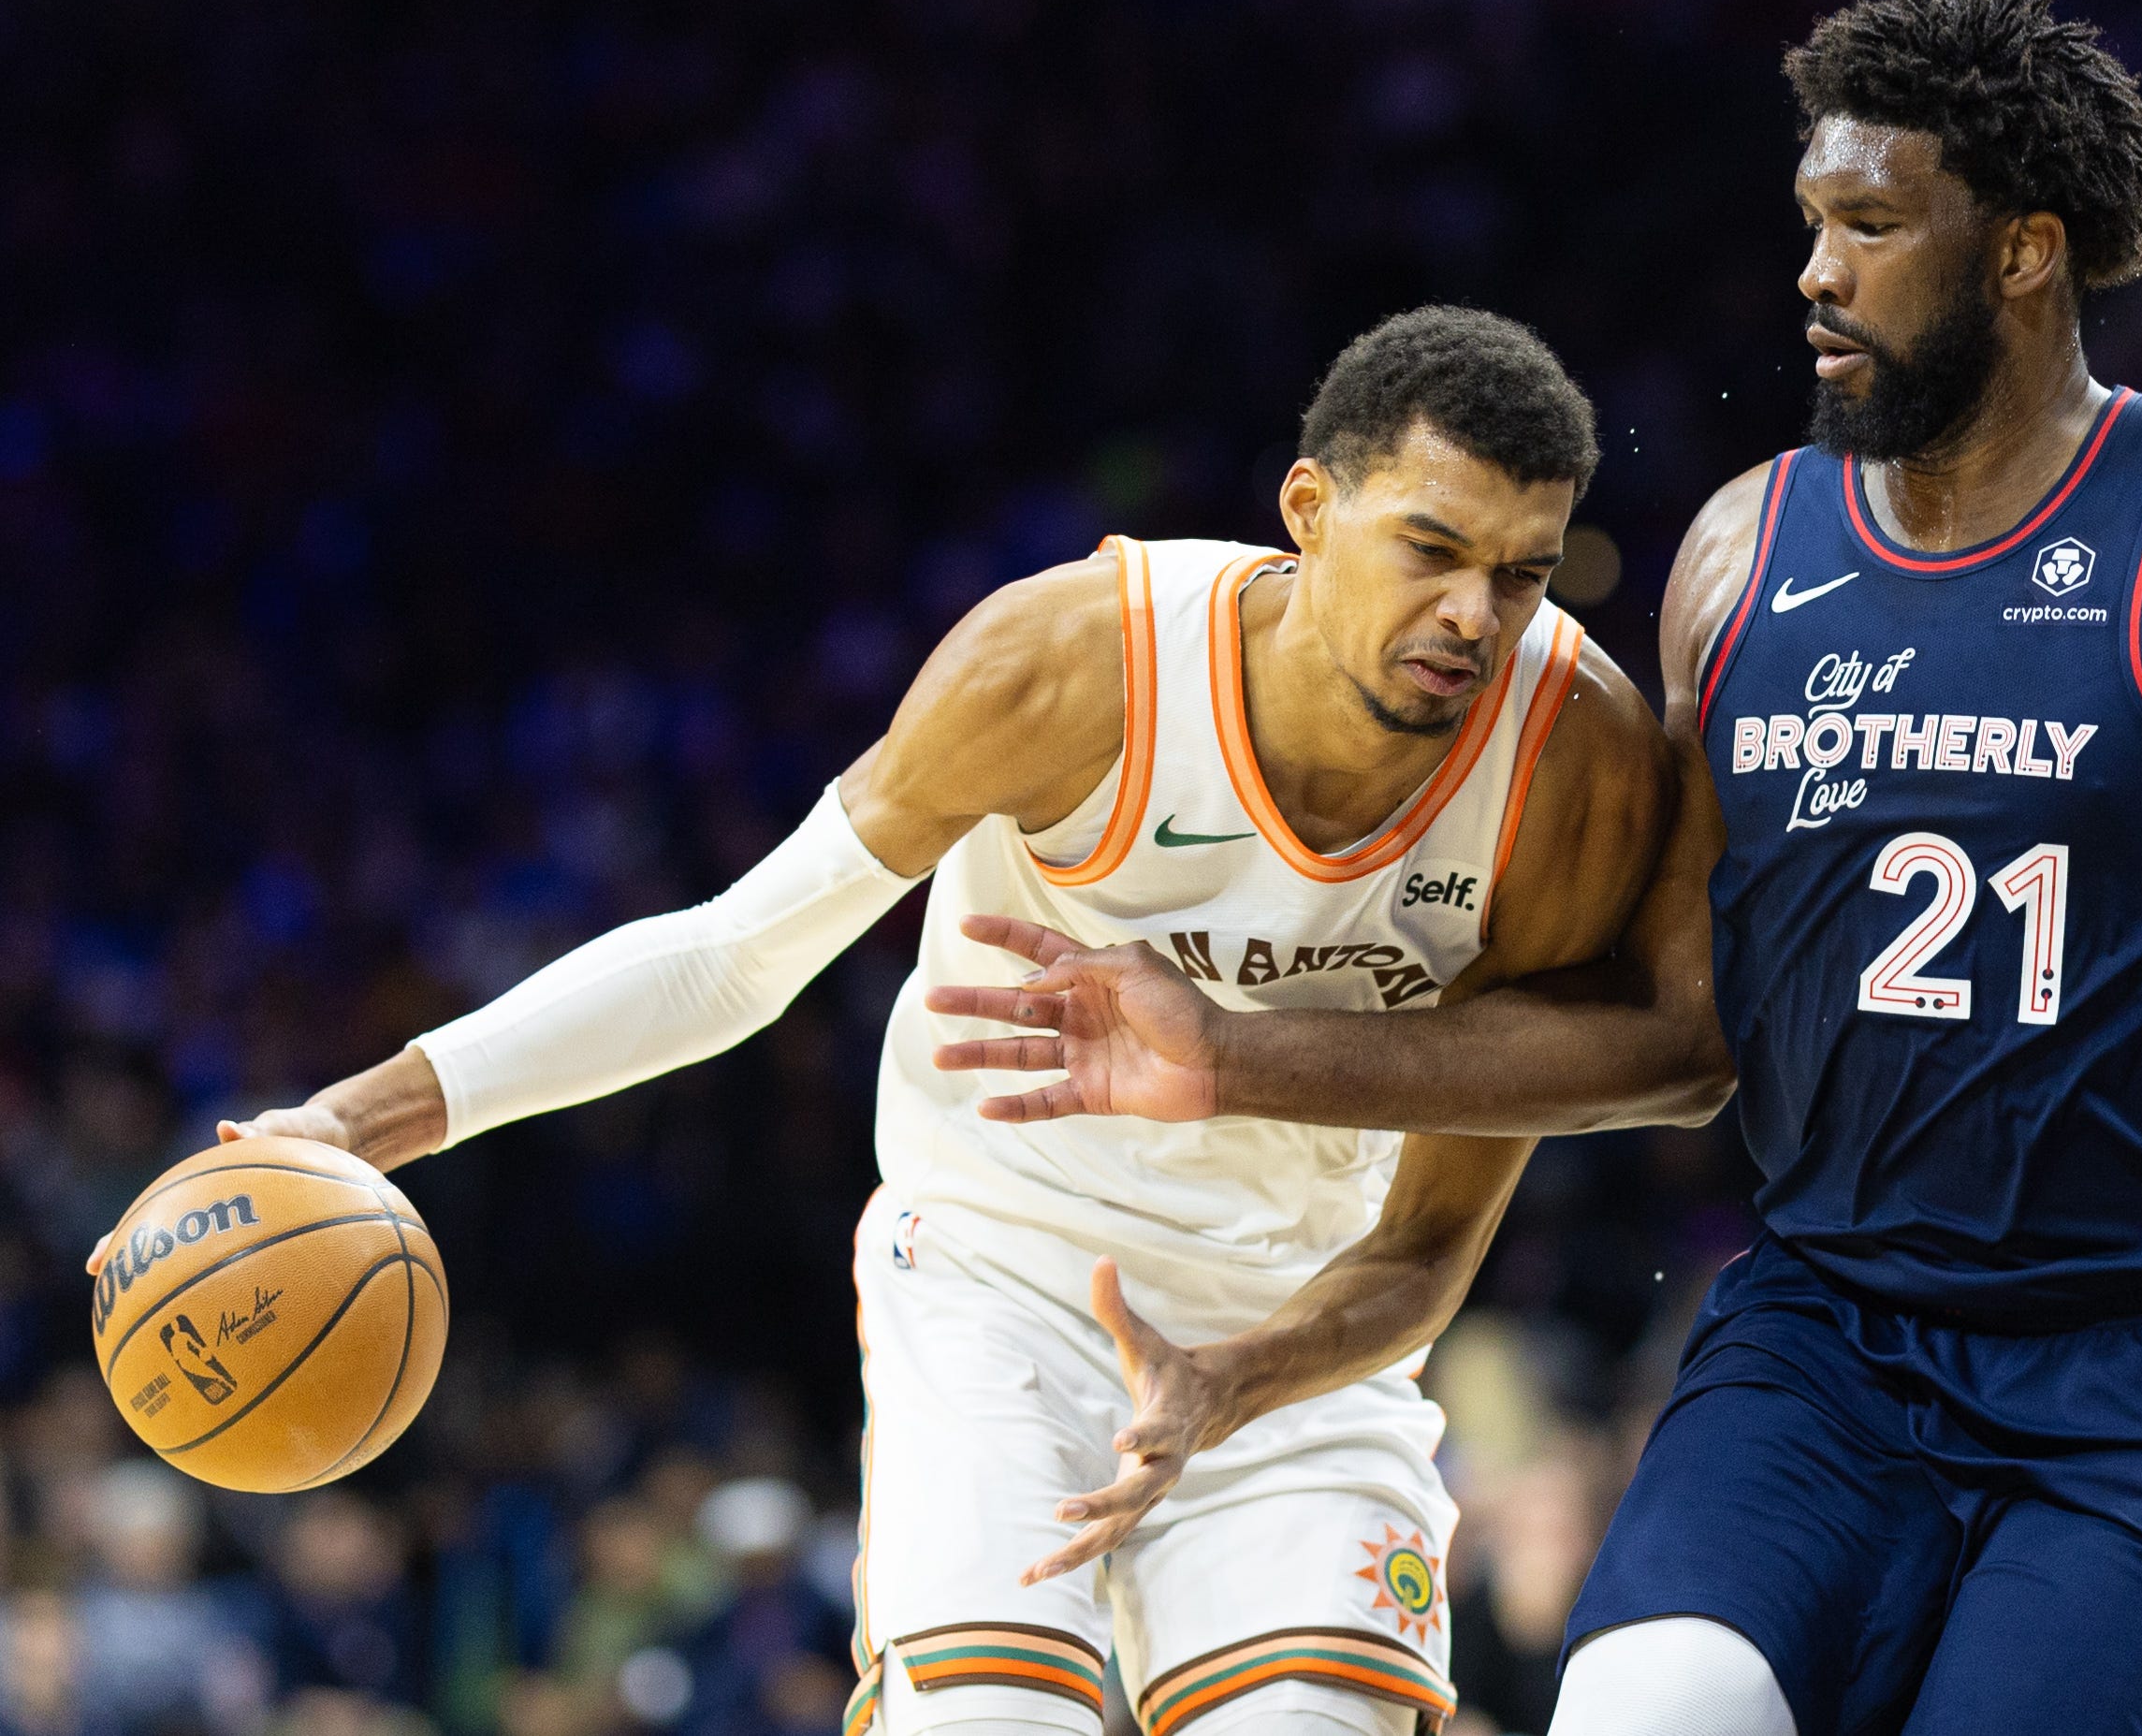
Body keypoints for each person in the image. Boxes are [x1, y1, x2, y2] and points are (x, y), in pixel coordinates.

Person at [925, 0, 2142, 1736]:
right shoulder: (1737, 558)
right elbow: (1673, 1040)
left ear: (2022, 250)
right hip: (1831, 1338)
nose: (1812, 271)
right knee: (1638, 1711)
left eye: (1869, 224)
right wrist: (1232, 1060)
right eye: (1810, 218)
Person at [97, 307, 1672, 1736]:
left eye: (1522, 572)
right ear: (1308, 512)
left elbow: (1425, 1254)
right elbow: (732, 955)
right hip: (999, 1275)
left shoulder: (1572, 766)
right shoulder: (1074, 661)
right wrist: (358, 1120)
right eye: (1431, 550)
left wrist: (1242, 1378)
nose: (1478, 614)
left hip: (1293, 1327)